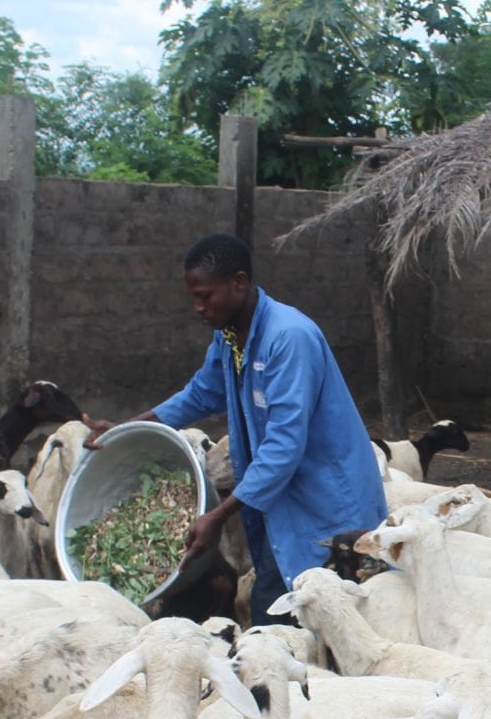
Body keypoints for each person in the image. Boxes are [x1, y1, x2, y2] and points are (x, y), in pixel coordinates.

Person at [130, 233, 387, 621]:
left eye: (205, 296)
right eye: (193, 298)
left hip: (326, 507)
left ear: (238, 282)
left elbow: (284, 445)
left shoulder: (288, 337)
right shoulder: (230, 335)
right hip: (278, 504)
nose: (198, 308)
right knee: (277, 610)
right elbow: (202, 393)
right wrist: (128, 430)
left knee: (332, 620)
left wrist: (218, 516)